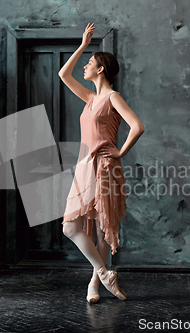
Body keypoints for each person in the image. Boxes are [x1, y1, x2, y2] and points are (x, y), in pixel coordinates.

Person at [58, 23, 145, 304]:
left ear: (101, 69)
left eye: (90, 63)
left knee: (101, 228)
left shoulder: (112, 97)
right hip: (84, 166)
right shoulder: (91, 97)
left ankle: (94, 284)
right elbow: (63, 74)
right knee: (71, 226)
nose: (85, 66)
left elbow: (137, 126)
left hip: (105, 165)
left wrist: (120, 152)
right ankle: (104, 273)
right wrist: (83, 45)